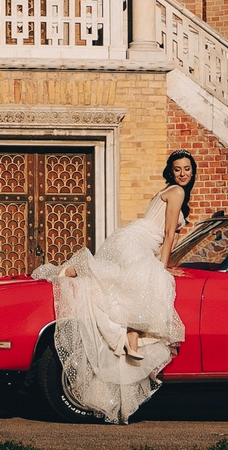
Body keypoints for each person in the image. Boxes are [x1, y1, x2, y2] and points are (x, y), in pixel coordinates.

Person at [34, 151, 196, 422]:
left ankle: (130, 335)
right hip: (138, 243)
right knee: (155, 282)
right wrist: (163, 265)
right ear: (172, 172)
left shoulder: (169, 192)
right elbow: (168, 234)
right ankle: (79, 270)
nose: (182, 173)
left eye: (187, 169)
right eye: (178, 169)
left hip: (131, 238)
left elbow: (169, 234)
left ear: (193, 171)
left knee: (127, 283)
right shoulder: (177, 191)